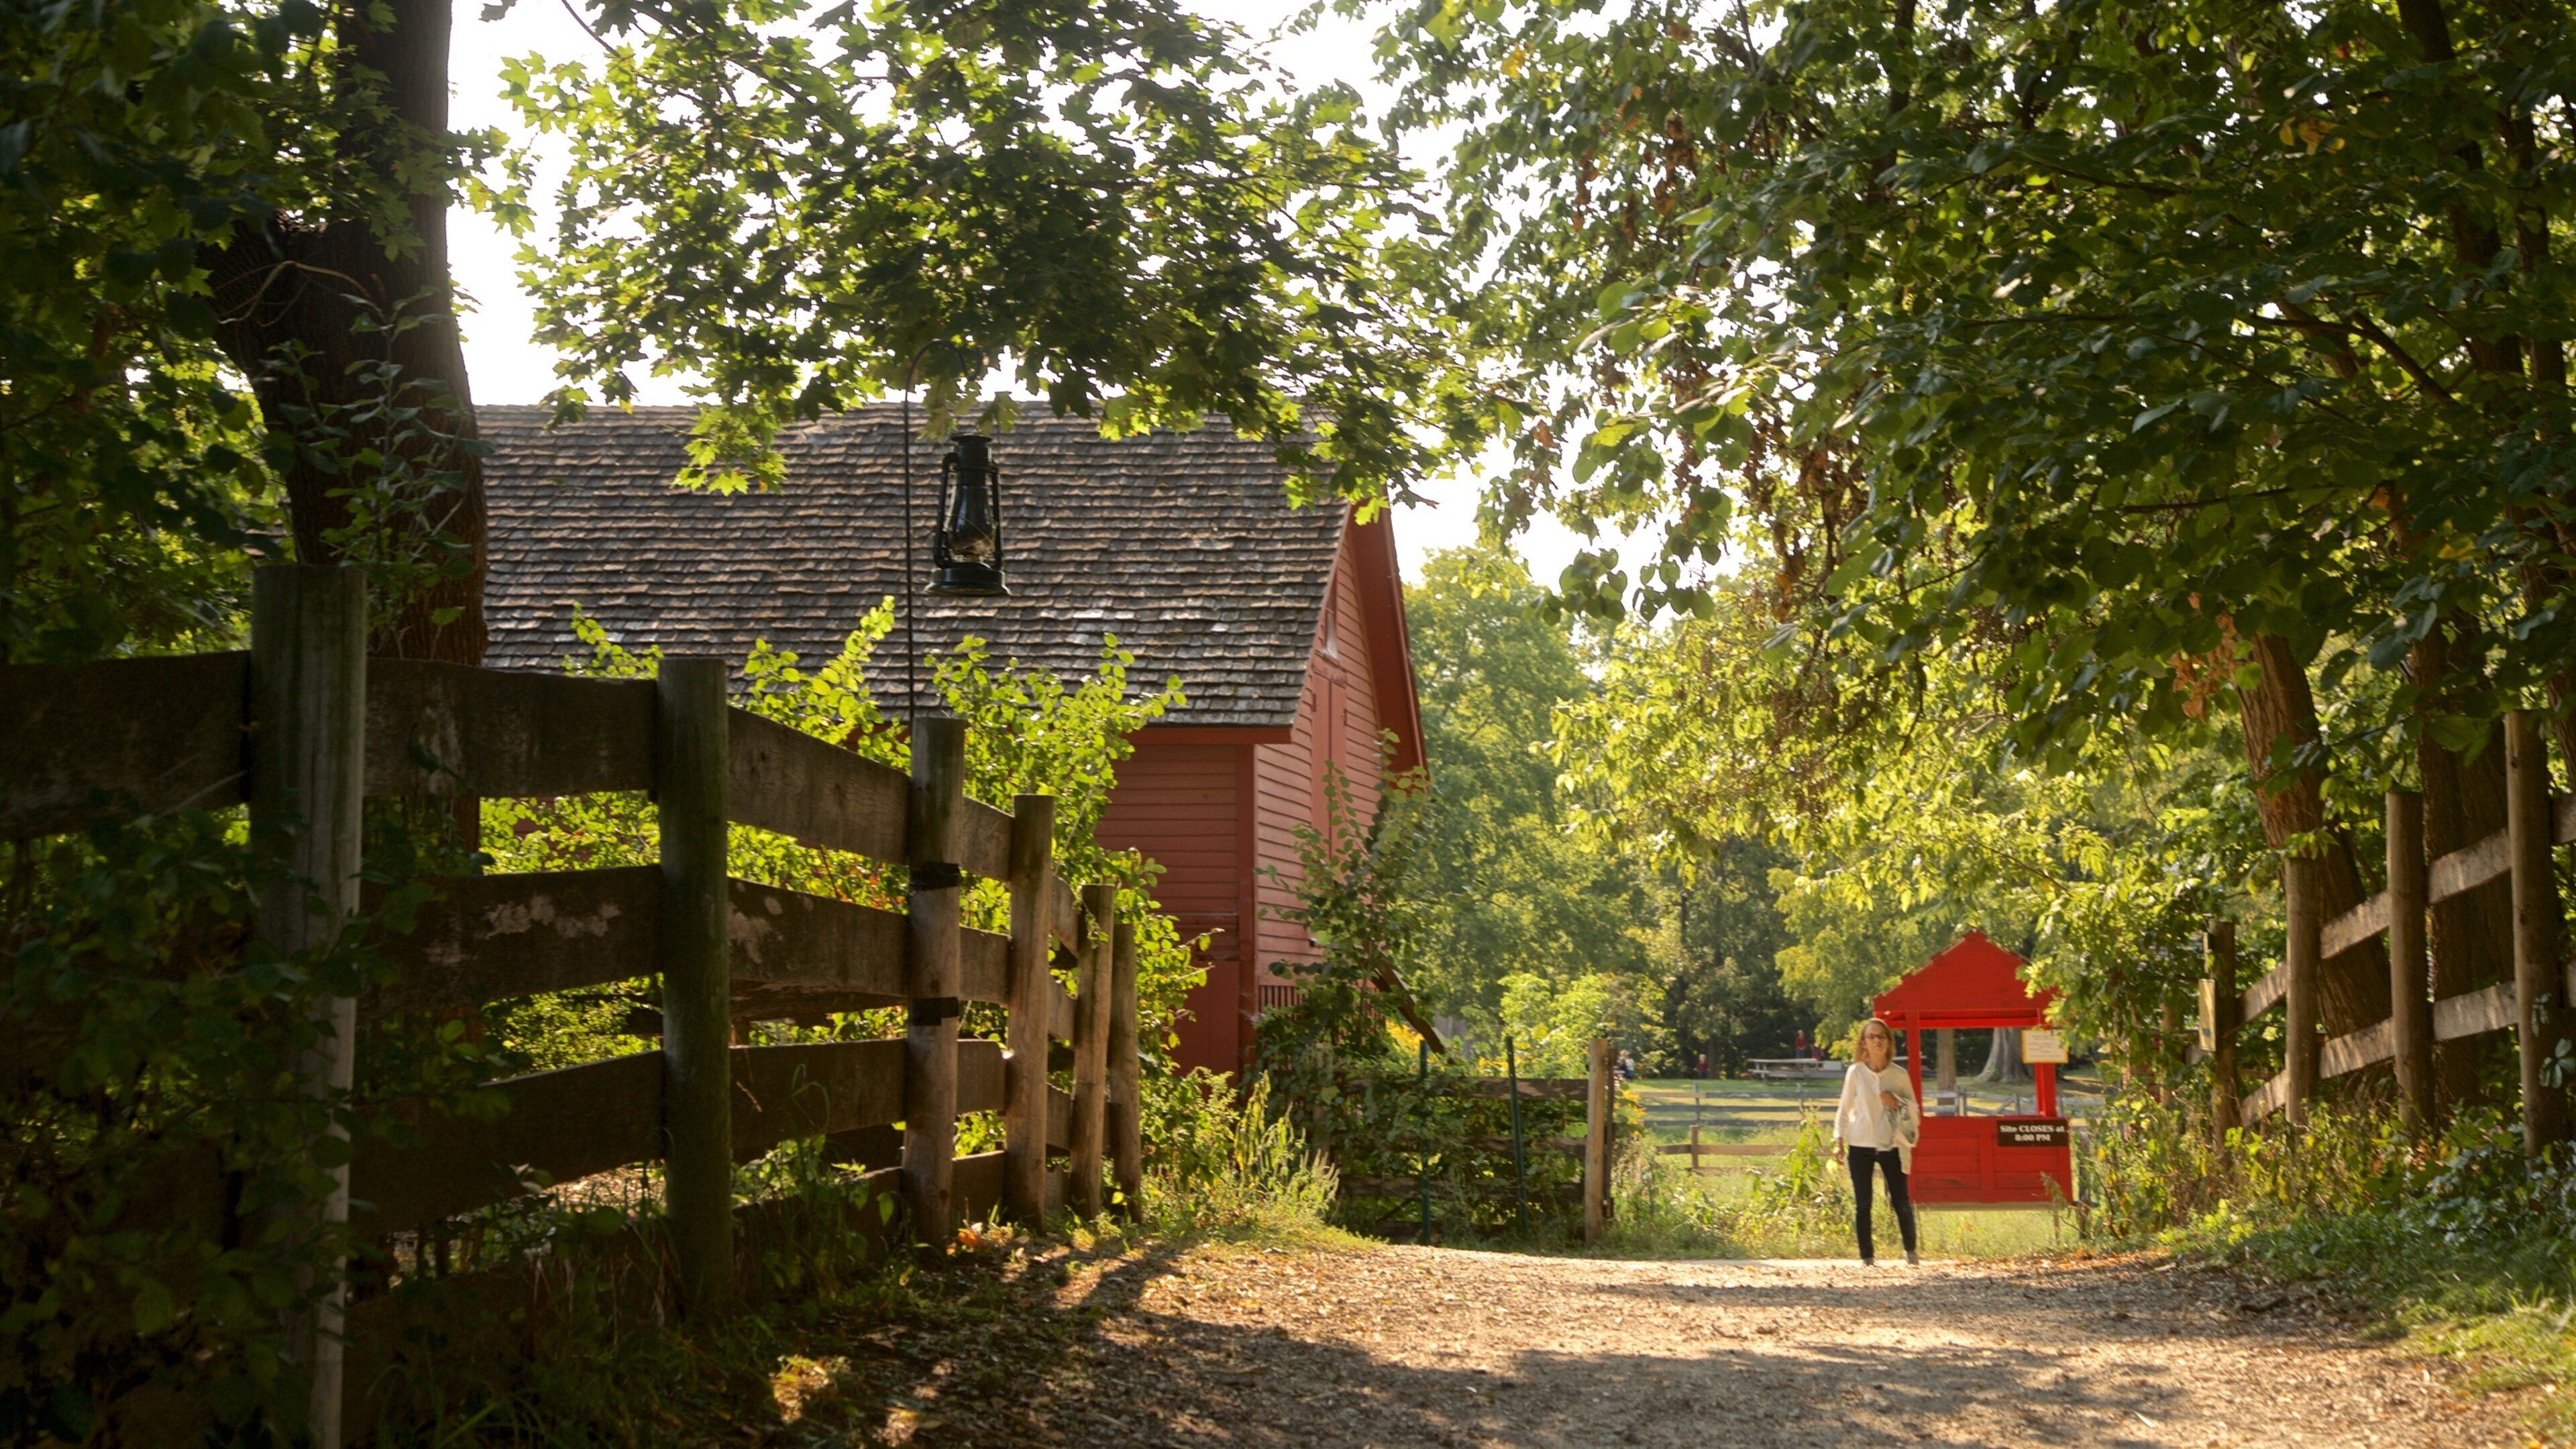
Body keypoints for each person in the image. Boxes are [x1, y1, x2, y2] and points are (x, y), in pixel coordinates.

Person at [1831, 1016, 1921, 1267]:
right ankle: (1867, 1258)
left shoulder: (1899, 1075)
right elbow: (1844, 1107)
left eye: (1881, 1037)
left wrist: (1897, 1103)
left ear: (1889, 1042)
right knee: (1863, 1203)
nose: (1877, 1041)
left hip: (1891, 1144)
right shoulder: (1856, 1073)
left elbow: (1914, 1110)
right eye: (1872, 1037)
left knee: (1900, 1200)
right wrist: (1839, 1139)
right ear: (1864, 1043)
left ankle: (1911, 1253)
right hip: (1860, 1145)